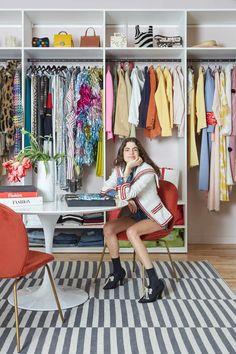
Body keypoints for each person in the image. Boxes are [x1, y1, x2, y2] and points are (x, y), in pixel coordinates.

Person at [101, 137, 173, 303]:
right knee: (108, 229)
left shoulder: (147, 171)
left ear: (140, 152)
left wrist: (127, 174)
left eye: (134, 149)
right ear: (122, 153)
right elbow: (105, 189)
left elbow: (125, 193)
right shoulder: (118, 168)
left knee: (132, 232)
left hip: (153, 216)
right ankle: (117, 271)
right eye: (127, 149)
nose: (131, 153)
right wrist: (128, 199)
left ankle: (155, 282)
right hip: (136, 215)